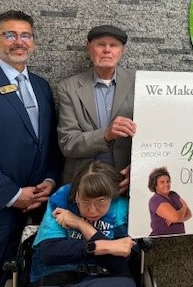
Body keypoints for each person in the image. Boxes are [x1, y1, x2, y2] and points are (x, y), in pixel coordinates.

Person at [0, 10, 61, 287]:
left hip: (34, 211)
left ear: (34, 43)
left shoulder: (41, 87)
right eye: (10, 34)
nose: (19, 41)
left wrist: (50, 179)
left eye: (25, 35)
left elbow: (49, 144)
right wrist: (13, 194)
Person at [30, 161, 136, 287]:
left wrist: (81, 224)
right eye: (85, 201)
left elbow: (118, 263)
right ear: (76, 197)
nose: (92, 210)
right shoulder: (62, 198)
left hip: (106, 277)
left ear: (111, 197)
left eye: (101, 201)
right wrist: (103, 246)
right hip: (57, 276)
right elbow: (49, 253)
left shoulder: (120, 206)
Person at [57, 25, 136, 190]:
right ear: (89, 48)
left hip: (126, 182)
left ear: (122, 51)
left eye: (113, 45)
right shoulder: (68, 88)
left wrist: (137, 171)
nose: (107, 50)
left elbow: (151, 139)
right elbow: (68, 143)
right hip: (83, 183)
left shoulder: (139, 83)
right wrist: (106, 135)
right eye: (100, 44)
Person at [148, 167, 191, 236]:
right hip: (161, 240)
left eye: (168, 181)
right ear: (155, 185)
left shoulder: (173, 194)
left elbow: (189, 214)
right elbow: (176, 217)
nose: (166, 184)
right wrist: (184, 207)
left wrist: (175, 219)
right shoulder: (155, 200)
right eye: (162, 182)